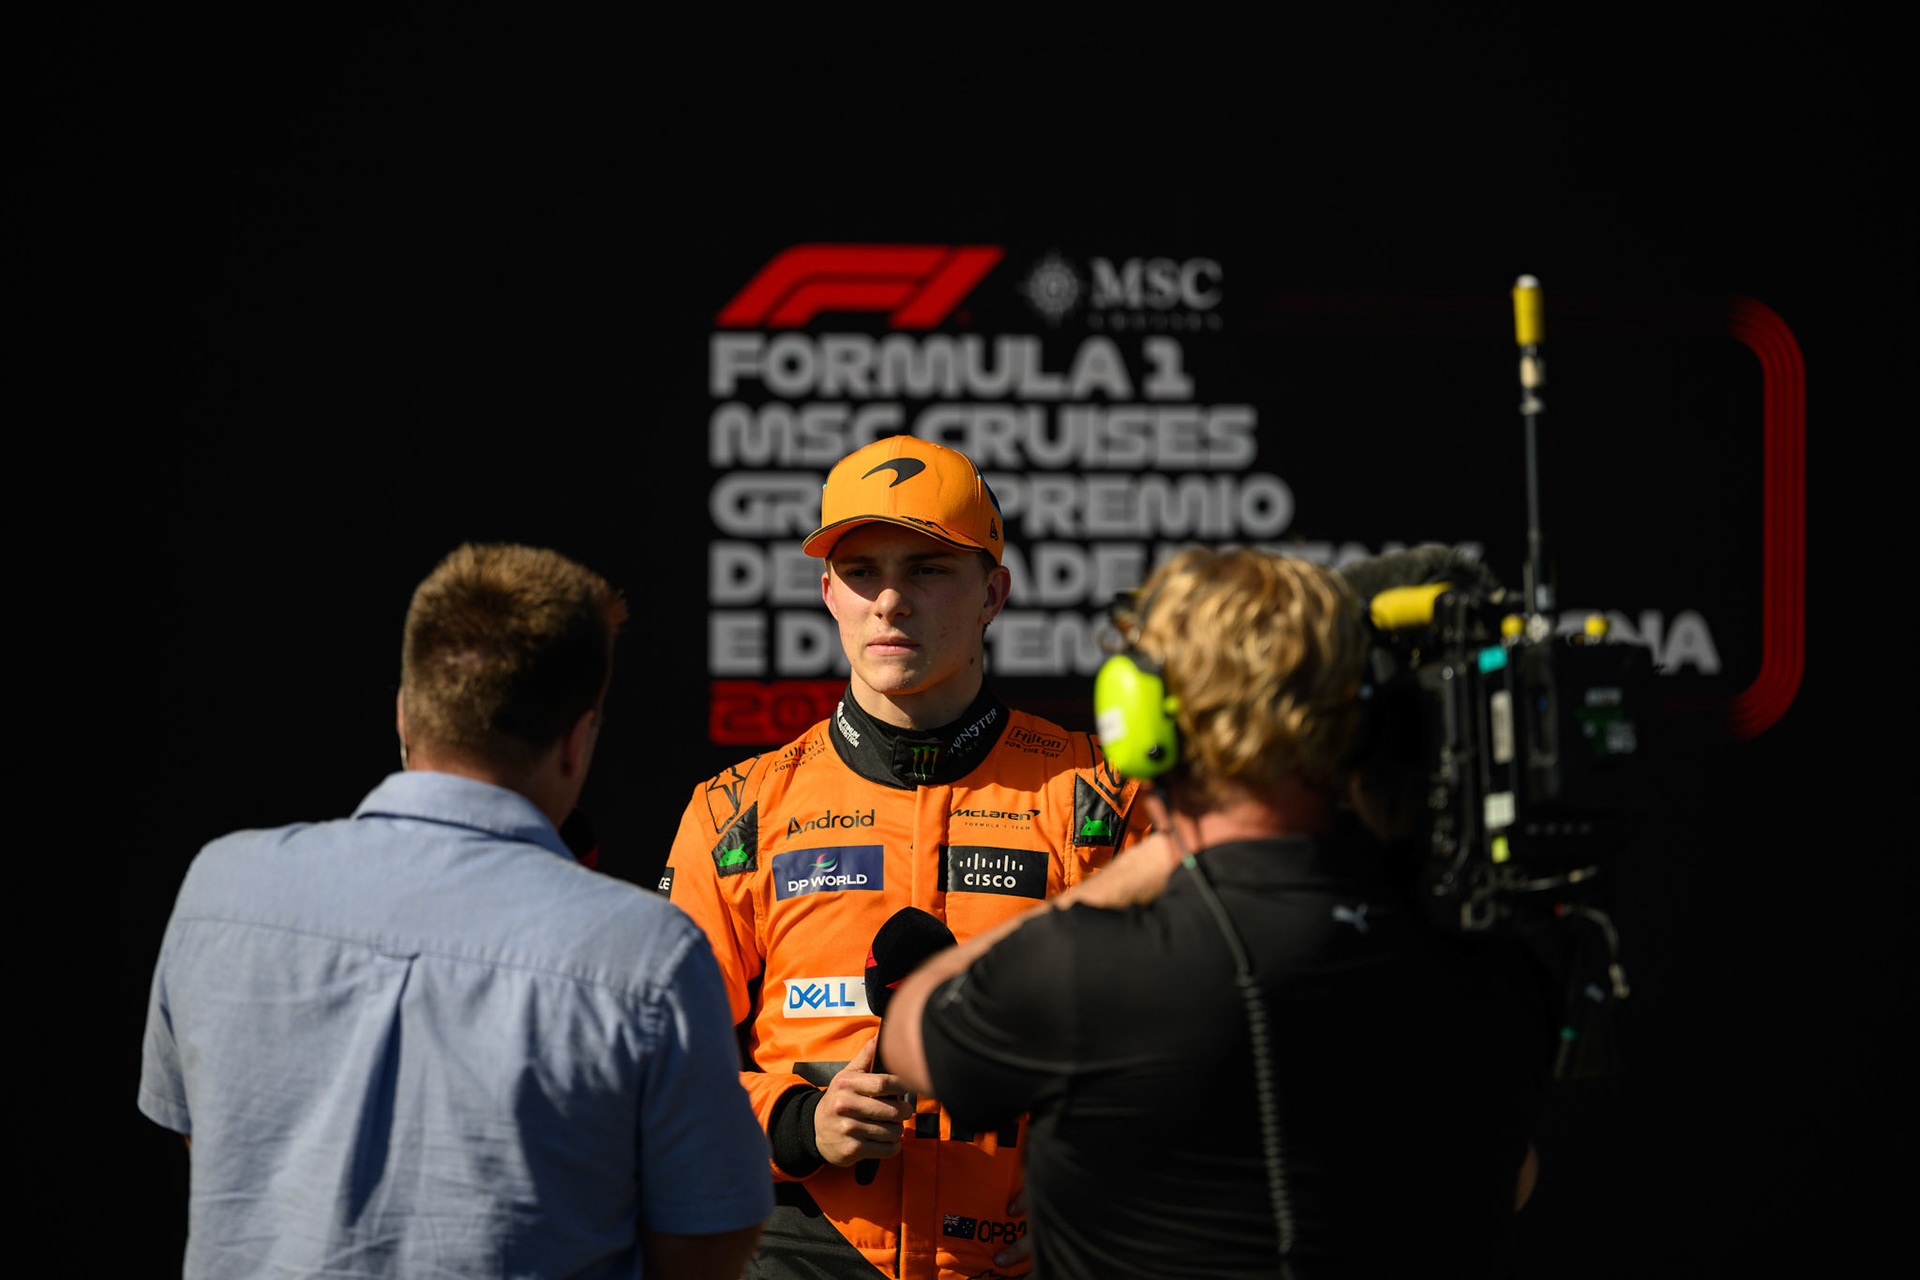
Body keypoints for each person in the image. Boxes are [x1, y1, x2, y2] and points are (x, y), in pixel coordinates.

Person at [881, 548, 1552, 1279]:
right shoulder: (1484, 952)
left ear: (1141, 721)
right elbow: (1513, 1182)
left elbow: (912, 1029)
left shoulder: (1089, 966)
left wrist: (1127, 875)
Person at [139, 543, 771, 1280]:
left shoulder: (219, 888)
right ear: (577, 742)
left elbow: (208, 1140)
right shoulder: (649, 956)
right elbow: (708, 1241)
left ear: (404, 715)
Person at [665, 435, 1143, 1280]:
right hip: (806, 1246)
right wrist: (797, 1122)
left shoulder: (1096, 798)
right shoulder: (737, 809)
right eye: (861, 571)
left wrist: (1108, 1183)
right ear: (827, 595)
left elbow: (1190, 1035)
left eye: (928, 569)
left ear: (994, 591)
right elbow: (660, 1066)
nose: (890, 600)